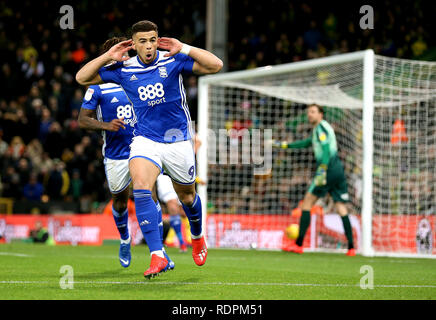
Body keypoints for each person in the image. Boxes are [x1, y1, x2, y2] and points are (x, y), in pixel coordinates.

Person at [76, 22, 222, 278]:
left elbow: (215, 65)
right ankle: (157, 255)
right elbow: (82, 77)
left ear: (157, 41)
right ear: (134, 44)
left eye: (152, 40)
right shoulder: (123, 69)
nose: (149, 45)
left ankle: (197, 236)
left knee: (187, 197)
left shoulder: (172, 60)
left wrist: (185, 48)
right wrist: (107, 57)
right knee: (141, 188)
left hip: (177, 139)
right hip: (145, 140)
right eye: (142, 41)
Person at [78, 36, 179, 270]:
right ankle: (125, 239)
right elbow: (83, 120)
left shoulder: (139, 77)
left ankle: (159, 251)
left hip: (144, 148)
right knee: (120, 203)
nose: (127, 57)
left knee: (150, 197)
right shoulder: (99, 86)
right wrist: (106, 125)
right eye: (123, 53)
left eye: (128, 53)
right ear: (111, 55)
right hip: (116, 154)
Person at [272, 104, 355, 256]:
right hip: (338, 170)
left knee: (307, 203)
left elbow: (324, 150)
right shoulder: (319, 129)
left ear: (321, 114)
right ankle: (351, 248)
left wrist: (322, 170)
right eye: (308, 112)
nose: (309, 114)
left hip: (328, 169)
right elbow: (306, 143)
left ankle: (298, 245)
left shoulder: (321, 128)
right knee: (341, 207)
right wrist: (284, 145)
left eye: (313, 112)